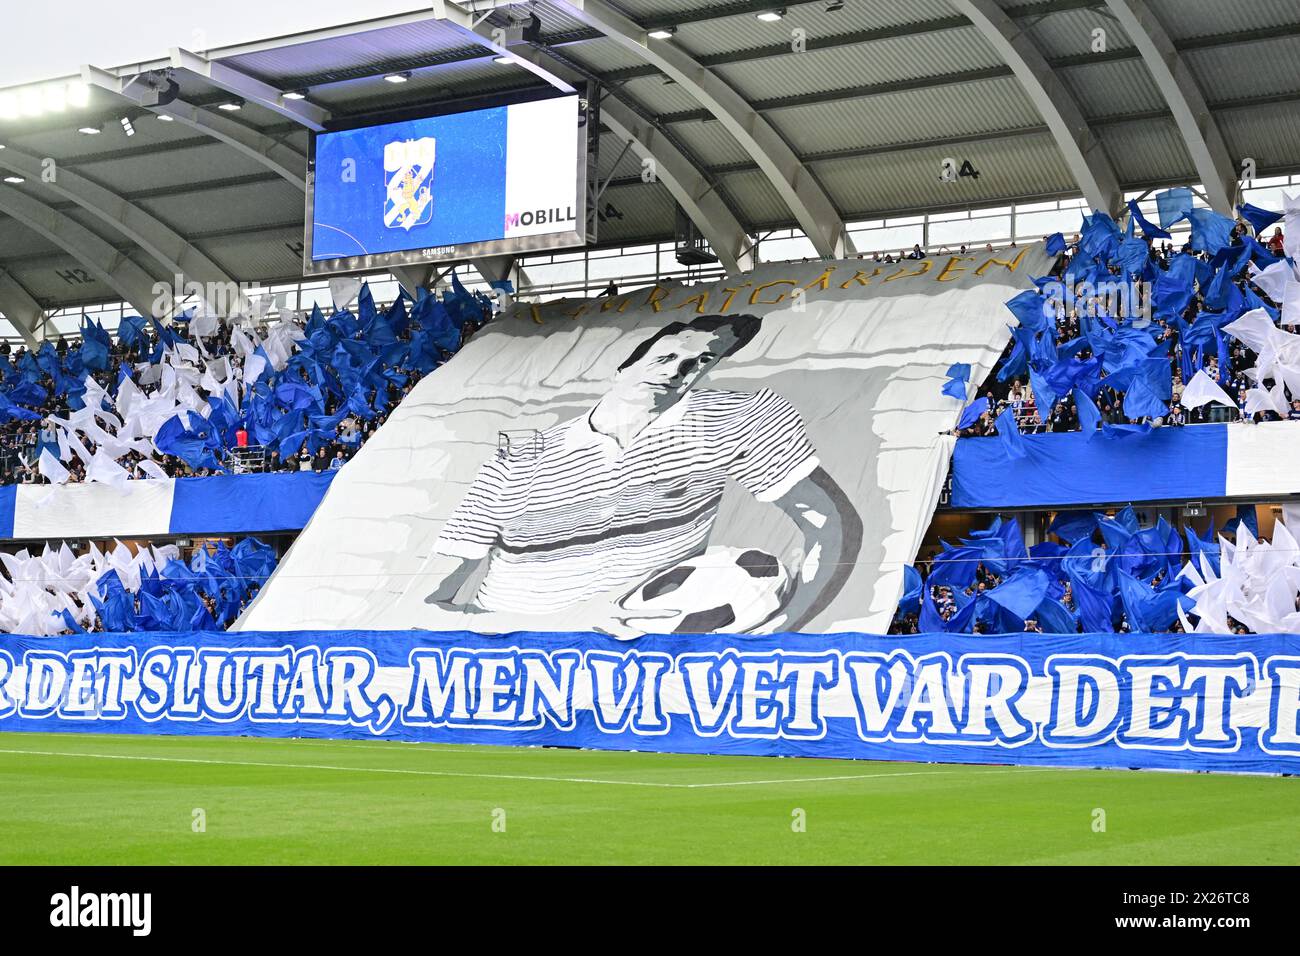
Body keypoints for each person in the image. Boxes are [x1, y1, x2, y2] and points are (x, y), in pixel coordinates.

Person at [425, 313, 863, 636]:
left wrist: (784, 627)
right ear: (625, 366)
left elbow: (830, 522)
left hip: (643, 658)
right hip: (519, 649)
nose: (677, 371)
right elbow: (435, 591)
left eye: (700, 362)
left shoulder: (731, 419)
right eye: (666, 356)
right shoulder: (518, 459)